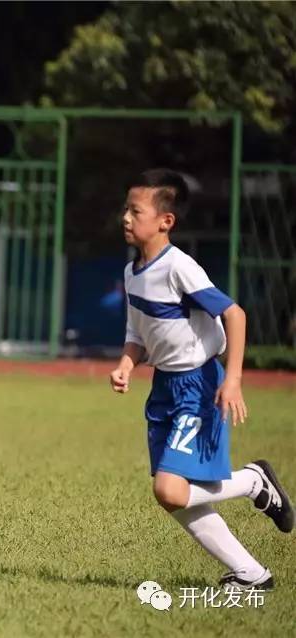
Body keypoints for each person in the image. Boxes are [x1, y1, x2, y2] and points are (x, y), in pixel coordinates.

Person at [109, 168, 293, 590]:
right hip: (165, 390)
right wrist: (125, 363)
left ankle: (252, 481)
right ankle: (251, 574)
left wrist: (233, 380)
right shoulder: (131, 272)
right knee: (177, 496)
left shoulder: (179, 267)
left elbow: (235, 314)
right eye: (125, 208)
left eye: (135, 210)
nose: (125, 217)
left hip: (198, 388)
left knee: (170, 490)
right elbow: (138, 333)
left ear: (164, 221)